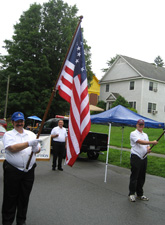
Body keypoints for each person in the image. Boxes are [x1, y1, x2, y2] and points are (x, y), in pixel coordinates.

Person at [2, 112, 41, 225]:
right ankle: (7, 221)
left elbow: (37, 150)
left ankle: (21, 220)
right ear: (13, 122)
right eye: (17, 121)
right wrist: (29, 143)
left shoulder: (31, 134)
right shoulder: (8, 135)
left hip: (29, 170)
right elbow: (12, 148)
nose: (20, 123)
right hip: (13, 170)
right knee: (10, 197)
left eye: (21, 121)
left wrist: (35, 147)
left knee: (24, 197)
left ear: (24, 122)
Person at [128, 119, 158, 202]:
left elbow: (147, 145)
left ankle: (140, 194)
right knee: (135, 176)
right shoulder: (133, 133)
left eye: (142, 125)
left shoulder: (145, 134)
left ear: (144, 125)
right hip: (136, 156)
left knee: (142, 176)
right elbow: (139, 142)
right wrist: (152, 142)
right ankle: (131, 194)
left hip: (144, 157)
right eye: (139, 124)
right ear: (136, 125)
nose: (140, 126)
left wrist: (148, 149)